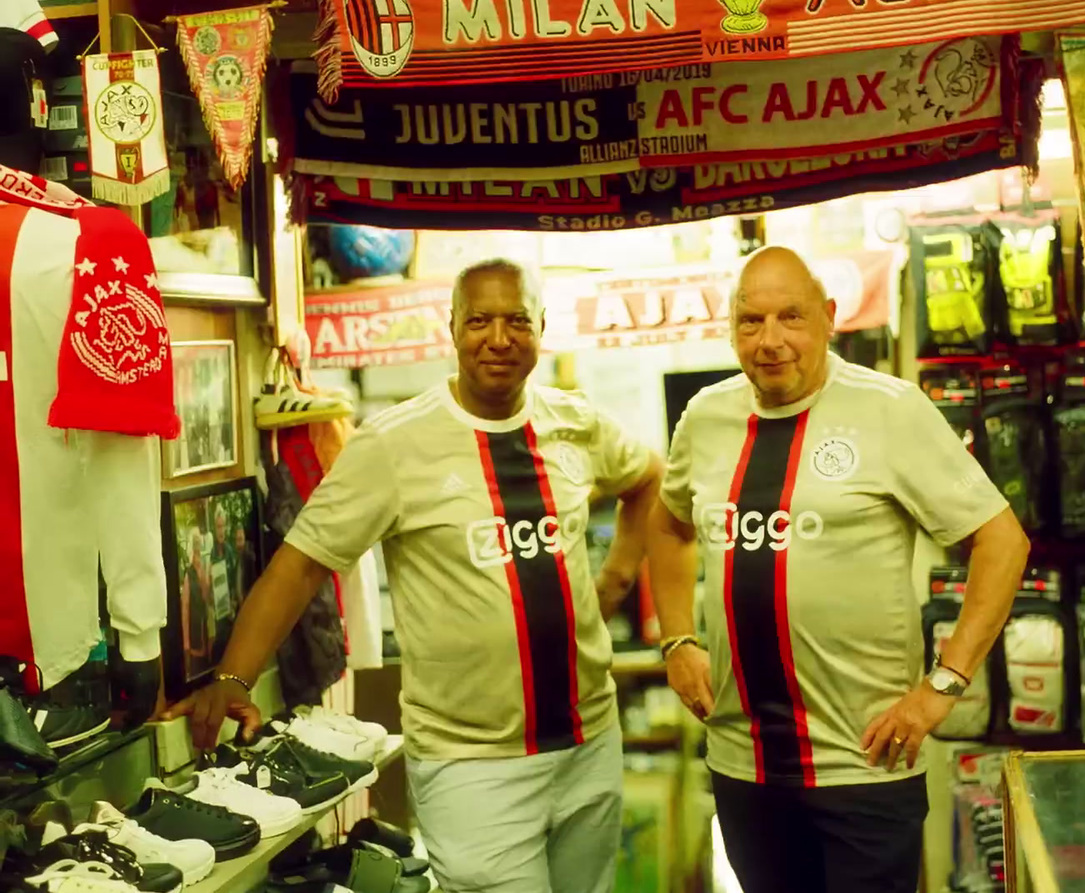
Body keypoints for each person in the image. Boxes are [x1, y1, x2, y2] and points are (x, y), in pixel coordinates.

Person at [166, 258, 665, 893]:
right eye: (479, 320)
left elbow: (650, 480)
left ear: (542, 325)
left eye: (517, 320)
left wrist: (615, 581)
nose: (499, 338)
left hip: (590, 742)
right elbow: (300, 565)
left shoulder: (573, 421)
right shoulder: (394, 444)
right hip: (472, 766)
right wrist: (233, 675)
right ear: (451, 328)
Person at [645, 246, 1031, 893]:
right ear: (731, 326)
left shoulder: (890, 409)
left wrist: (943, 684)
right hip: (745, 767)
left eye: (790, 317)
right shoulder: (706, 417)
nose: (770, 341)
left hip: (864, 766)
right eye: (751, 321)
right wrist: (677, 637)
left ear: (828, 317)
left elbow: (1001, 540)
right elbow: (668, 522)